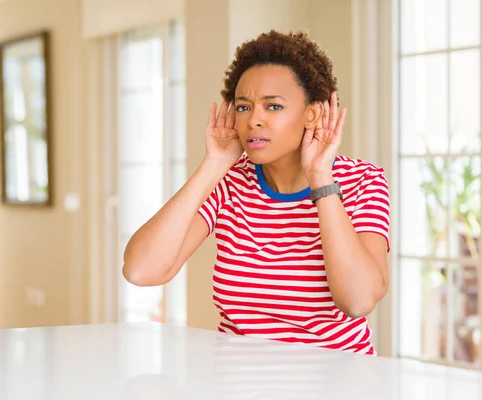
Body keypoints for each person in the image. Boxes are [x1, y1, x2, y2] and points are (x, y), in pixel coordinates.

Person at [122, 30, 391, 355]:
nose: (254, 121)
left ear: (313, 113)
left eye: (273, 106)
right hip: (239, 381)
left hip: (336, 383)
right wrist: (214, 165)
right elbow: (140, 271)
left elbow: (359, 300)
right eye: (244, 107)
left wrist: (321, 177)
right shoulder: (229, 183)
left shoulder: (362, 181)